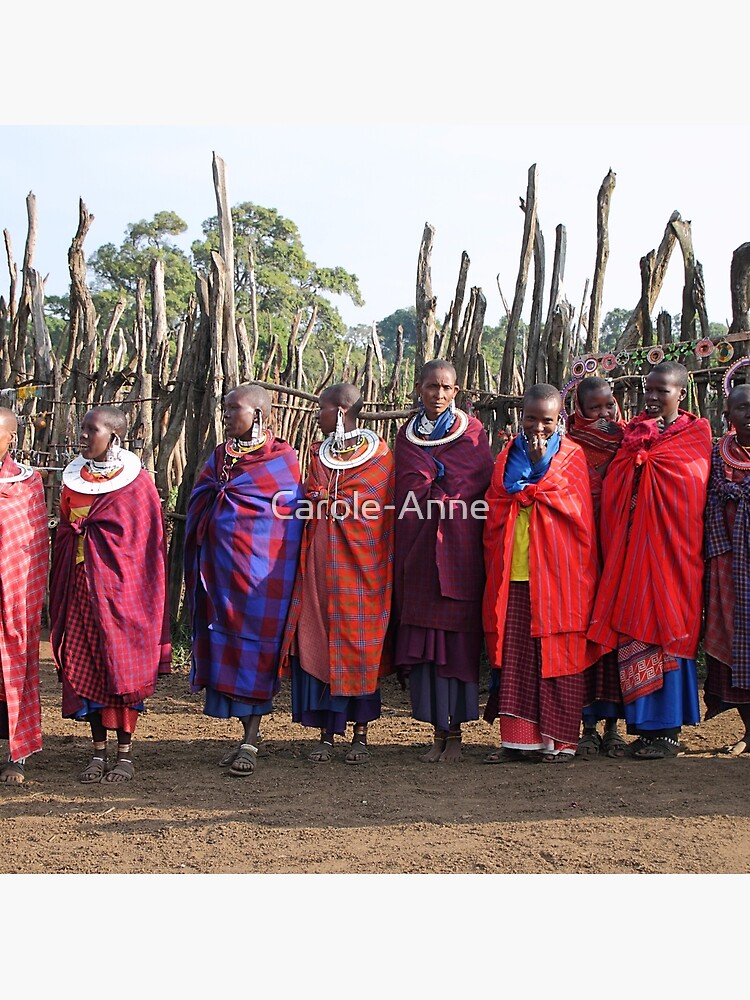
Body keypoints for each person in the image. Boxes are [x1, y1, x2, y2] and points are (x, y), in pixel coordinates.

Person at [587, 361, 712, 759]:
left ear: (681, 394)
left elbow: (691, 487)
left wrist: (652, 468)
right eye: (650, 390)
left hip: (674, 556)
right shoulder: (632, 434)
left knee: (670, 630)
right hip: (632, 556)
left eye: (663, 391)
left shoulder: (694, 436)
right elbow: (615, 485)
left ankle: (668, 733)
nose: (654, 398)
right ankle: (643, 728)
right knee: (635, 632)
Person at [184, 385, 304, 777]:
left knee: (256, 650)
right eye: (224, 408)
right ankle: (243, 735)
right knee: (226, 648)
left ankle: (251, 739)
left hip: (262, 578)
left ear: (259, 414)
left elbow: (285, 520)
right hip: (219, 573)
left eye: (234, 408)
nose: (226, 415)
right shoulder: (220, 457)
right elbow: (201, 499)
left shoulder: (282, 460)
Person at [49, 405, 171, 783]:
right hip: (82, 591)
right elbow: (67, 529)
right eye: (82, 429)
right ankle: (97, 752)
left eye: (92, 430)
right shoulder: (73, 481)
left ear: (113, 437)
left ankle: (125, 754)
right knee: (87, 667)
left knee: (121, 667)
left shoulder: (137, 485)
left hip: (123, 593)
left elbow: (144, 545)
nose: (83, 436)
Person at [482, 383, 598, 763]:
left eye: (547, 420)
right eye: (530, 418)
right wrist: (528, 476)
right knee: (516, 657)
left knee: (558, 654)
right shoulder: (506, 457)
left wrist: (535, 477)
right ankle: (519, 741)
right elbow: (496, 504)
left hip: (559, 577)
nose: (538, 427)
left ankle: (561, 741)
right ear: (521, 416)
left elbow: (577, 511)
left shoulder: (572, 457)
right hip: (513, 573)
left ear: (559, 419)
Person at [279, 383, 394, 764]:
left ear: (341, 411)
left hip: (362, 566)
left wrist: (337, 503)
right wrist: (319, 499)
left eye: (323, 410)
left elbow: (376, 508)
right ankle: (327, 733)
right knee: (322, 640)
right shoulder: (318, 454)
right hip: (319, 565)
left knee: (359, 644)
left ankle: (360, 734)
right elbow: (309, 493)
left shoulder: (379, 456)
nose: (317, 416)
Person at [393, 360, 494, 763]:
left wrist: (439, 489)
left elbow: (474, 482)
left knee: (456, 647)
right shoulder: (406, 436)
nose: (439, 394)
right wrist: (430, 483)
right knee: (427, 652)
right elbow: (406, 486)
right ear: (419, 388)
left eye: (446, 388)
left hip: (459, 551)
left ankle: (456, 733)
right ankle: (437, 731)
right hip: (418, 553)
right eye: (432, 386)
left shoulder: (472, 432)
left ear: (457, 392)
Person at [567, 376, 628, 759]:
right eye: (595, 408)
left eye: (609, 405)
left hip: (620, 550)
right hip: (579, 554)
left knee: (617, 634)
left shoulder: (631, 442)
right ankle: (586, 725)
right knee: (583, 634)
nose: (604, 414)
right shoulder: (567, 447)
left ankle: (614, 726)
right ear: (578, 410)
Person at [0, 408, 48, 784]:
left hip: (13, 592)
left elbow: (30, 548)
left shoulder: (26, 485)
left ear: (11, 440)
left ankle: (18, 754)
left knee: (14, 665)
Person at [703, 381, 750, 754]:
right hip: (728, 566)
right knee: (736, 646)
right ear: (727, 416)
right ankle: (749, 730)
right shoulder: (716, 457)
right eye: (742, 407)